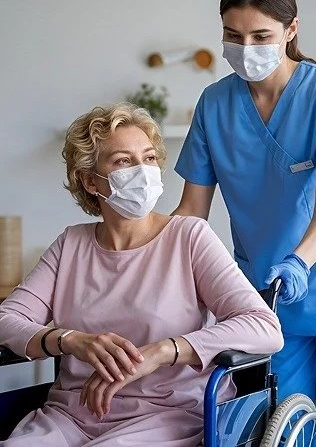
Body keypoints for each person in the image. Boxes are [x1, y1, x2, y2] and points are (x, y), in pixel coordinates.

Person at [173, 0, 316, 445]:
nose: (245, 48)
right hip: (268, 299)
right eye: (233, 37)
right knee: (283, 433)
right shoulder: (214, 104)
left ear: (291, 29)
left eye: (260, 37)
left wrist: (298, 262)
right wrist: (148, 261)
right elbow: (191, 211)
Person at [0, 103, 283, 447]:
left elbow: (263, 326)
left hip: (168, 414)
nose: (143, 171)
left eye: (148, 158)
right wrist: (70, 340)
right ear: (90, 181)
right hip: (72, 415)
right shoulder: (70, 244)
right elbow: (6, 318)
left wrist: (164, 351)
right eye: (122, 161)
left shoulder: (189, 237)